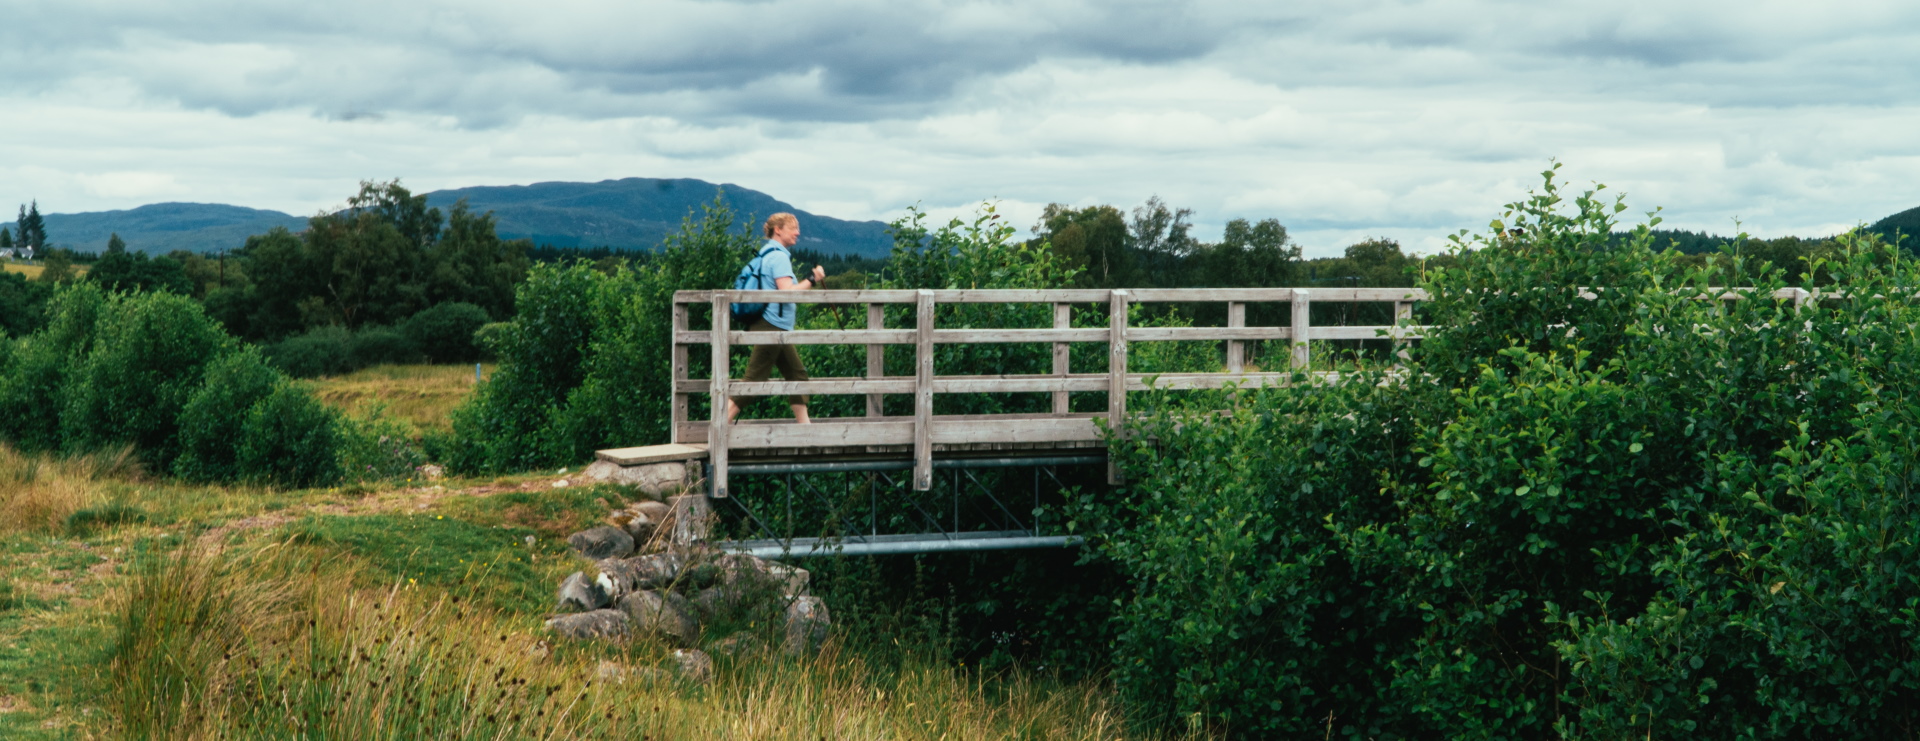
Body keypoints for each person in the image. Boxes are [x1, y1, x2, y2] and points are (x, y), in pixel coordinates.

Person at [728, 212, 826, 423]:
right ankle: (717, 425)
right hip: (772, 325)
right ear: (778, 230)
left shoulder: (765, 254)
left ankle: (805, 430)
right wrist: (813, 278)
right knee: (754, 379)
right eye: (793, 228)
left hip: (772, 324)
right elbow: (787, 292)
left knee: (796, 374)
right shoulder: (779, 256)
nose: (797, 232)